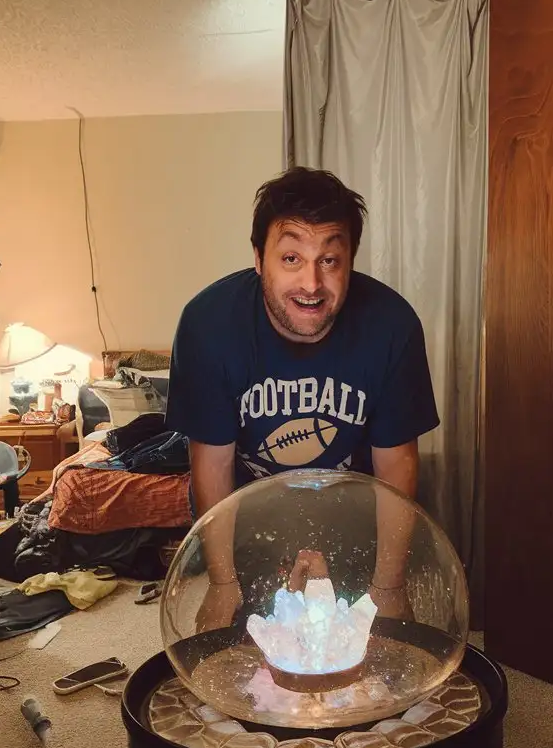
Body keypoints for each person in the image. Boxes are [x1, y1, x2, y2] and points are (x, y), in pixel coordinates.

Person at [166, 167, 439, 628]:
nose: (311, 284)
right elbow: (212, 462)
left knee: (369, 653)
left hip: (355, 513)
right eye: (291, 258)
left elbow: (396, 462)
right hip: (250, 516)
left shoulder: (392, 325)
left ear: (349, 259)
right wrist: (222, 583)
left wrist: (388, 586)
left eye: (329, 260)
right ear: (259, 258)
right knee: (248, 653)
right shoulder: (208, 325)